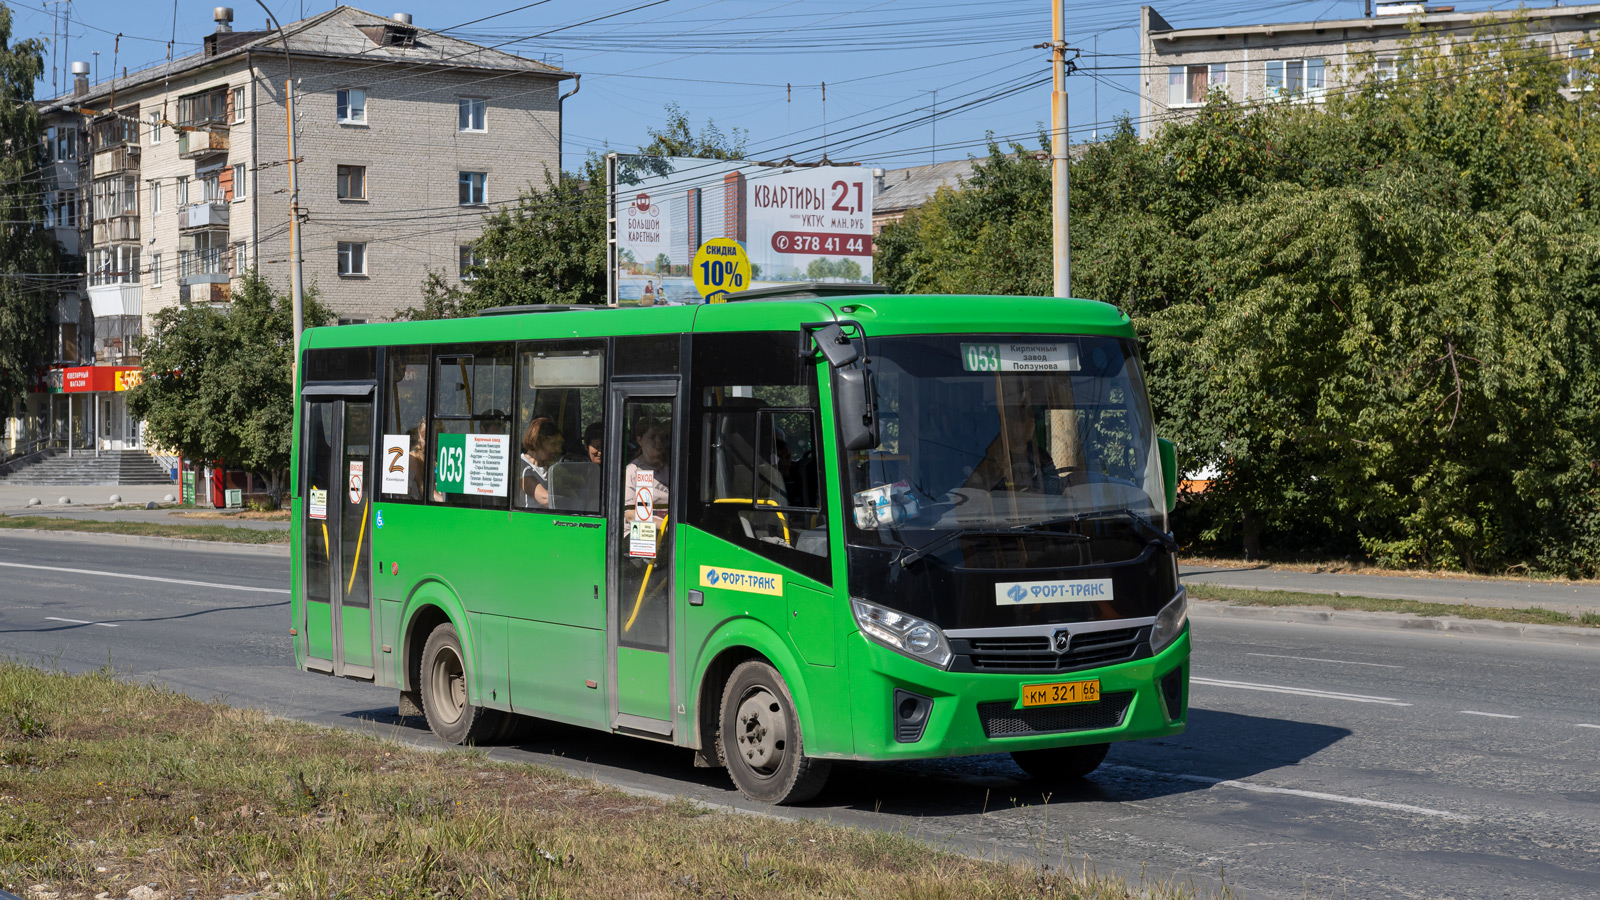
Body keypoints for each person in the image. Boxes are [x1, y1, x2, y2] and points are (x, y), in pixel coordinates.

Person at [624, 417, 670, 510]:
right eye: (652, 437)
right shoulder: (632, 471)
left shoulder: (671, 467)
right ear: (640, 440)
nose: (658, 441)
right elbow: (629, 512)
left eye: (661, 437)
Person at [519, 416, 564, 508]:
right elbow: (545, 499)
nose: (558, 449)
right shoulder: (521, 466)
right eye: (553, 444)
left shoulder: (552, 467)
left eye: (559, 445)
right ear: (538, 441)